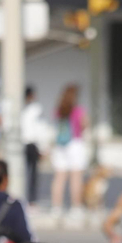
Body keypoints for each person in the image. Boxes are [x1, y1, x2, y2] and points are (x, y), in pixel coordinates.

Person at [49, 85, 89, 220]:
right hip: (75, 144)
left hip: (60, 145)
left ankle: (56, 207)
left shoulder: (59, 109)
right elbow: (84, 125)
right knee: (75, 178)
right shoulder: (78, 110)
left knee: (59, 178)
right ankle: (76, 207)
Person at [20, 85, 49, 203]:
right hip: (30, 143)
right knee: (31, 174)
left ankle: (30, 199)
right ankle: (30, 200)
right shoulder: (35, 109)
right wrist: (43, 147)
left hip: (27, 144)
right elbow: (39, 129)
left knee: (30, 173)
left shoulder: (25, 109)